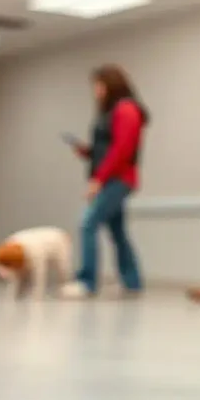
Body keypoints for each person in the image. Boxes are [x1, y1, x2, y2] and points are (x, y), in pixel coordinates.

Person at [63, 64, 148, 299]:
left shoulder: (127, 109)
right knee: (118, 232)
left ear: (111, 85)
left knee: (87, 223)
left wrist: (98, 180)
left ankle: (87, 281)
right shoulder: (112, 112)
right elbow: (108, 147)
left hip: (117, 179)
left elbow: (122, 149)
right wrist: (86, 152)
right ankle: (132, 282)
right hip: (112, 177)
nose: (96, 91)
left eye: (98, 85)